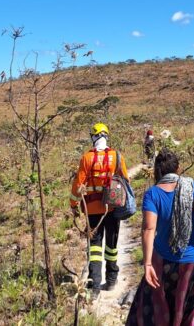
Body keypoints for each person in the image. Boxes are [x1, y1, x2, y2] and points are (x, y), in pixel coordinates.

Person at [126, 149, 194, 326]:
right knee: (191, 310)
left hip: (164, 263)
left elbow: (149, 228)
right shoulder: (192, 187)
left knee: (160, 308)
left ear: (157, 171)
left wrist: (147, 263)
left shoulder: (152, 194)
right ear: (178, 168)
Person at [70, 122, 129, 297]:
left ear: (94, 137)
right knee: (111, 245)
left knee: (94, 247)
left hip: (92, 211)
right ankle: (111, 280)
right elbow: (125, 180)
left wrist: (73, 206)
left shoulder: (86, 158)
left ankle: (94, 286)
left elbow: (77, 185)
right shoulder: (116, 156)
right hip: (112, 209)